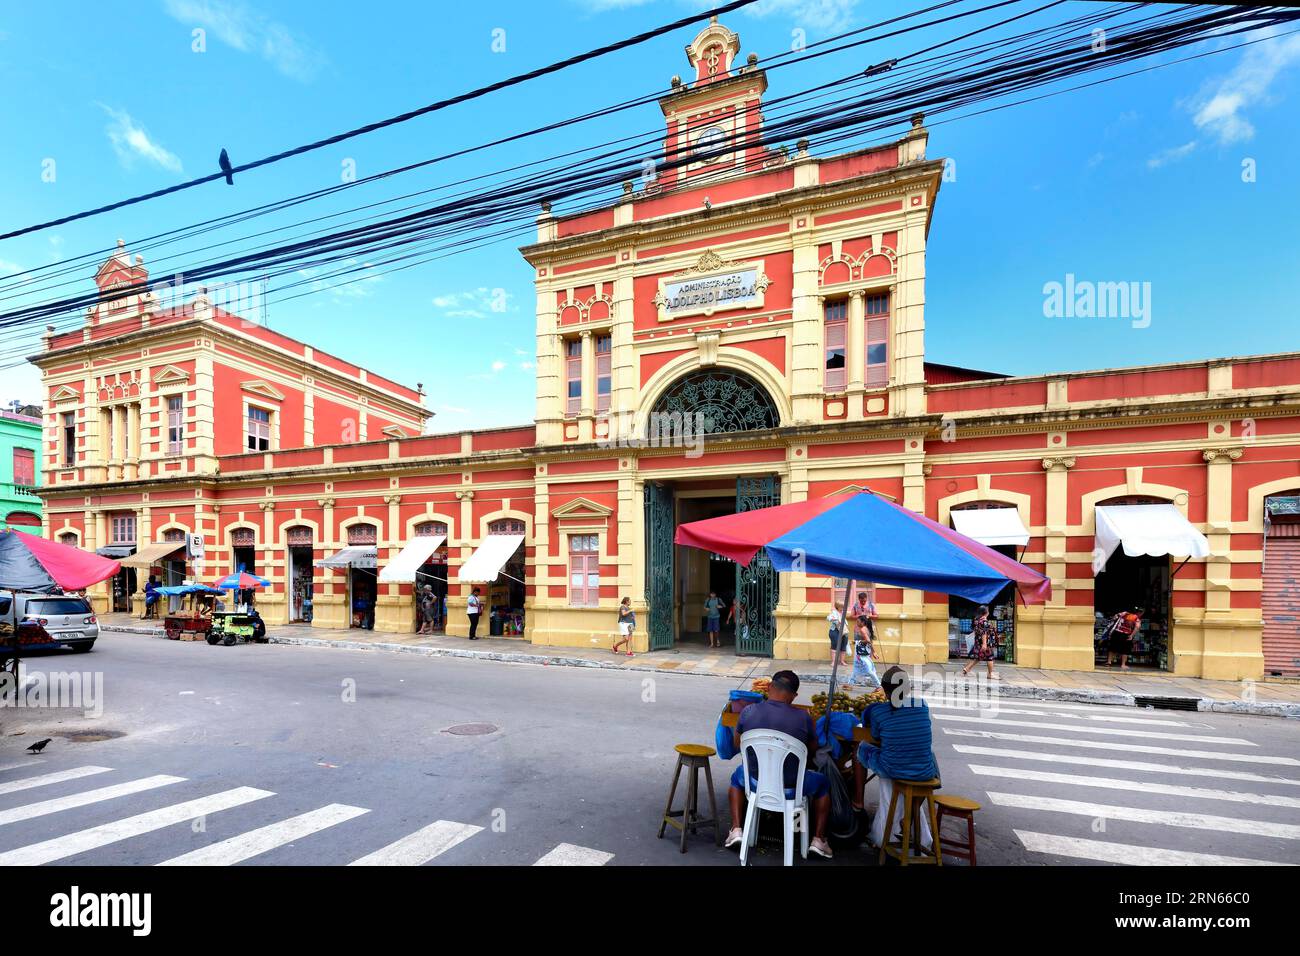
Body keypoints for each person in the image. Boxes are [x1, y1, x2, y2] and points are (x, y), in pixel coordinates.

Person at [723, 670, 834, 859]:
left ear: (769, 687)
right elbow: (813, 749)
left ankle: (736, 829)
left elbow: (737, 744)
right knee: (823, 783)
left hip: (756, 782)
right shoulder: (803, 717)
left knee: (737, 778)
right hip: (792, 787)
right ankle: (818, 840)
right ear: (794, 695)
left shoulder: (748, 712)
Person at [853, 666, 940, 850]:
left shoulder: (878, 711)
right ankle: (909, 814)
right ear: (907, 688)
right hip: (924, 772)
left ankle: (858, 802)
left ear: (884, 690)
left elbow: (875, 736)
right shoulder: (922, 705)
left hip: (892, 769)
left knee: (860, 748)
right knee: (929, 755)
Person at [961, 605, 1000, 680]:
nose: (989, 612)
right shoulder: (984, 622)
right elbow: (984, 633)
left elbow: (976, 630)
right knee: (990, 658)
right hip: (985, 643)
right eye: (988, 611)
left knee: (978, 657)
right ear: (986, 613)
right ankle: (990, 674)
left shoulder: (976, 620)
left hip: (978, 642)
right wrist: (985, 644)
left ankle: (966, 669)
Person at [850, 591, 880, 687]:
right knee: (857, 666)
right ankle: (850, 683)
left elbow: (868, 641)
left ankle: (878, 685)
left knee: (868, 669)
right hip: (861, 650)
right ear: (859, 599)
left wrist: (857, 642)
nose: (863, 602)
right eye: (861, 600)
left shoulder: (863, 630)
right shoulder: (855, 606)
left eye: (864, 600)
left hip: (863, 652)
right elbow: (851, 615)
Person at [827, 600, 848, 668]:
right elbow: (828, 618)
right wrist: (835, 619)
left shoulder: (843, 613)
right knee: (834, 645)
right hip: (835, 631)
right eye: (841, 606)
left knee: (843, 646)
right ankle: (833, 662)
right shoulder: (834, 612)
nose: (843, 607)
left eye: (844, 606)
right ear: (837, 607)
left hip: (844, 631)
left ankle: (842, 661)